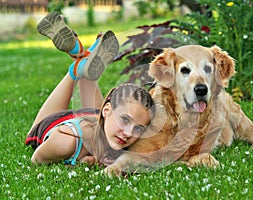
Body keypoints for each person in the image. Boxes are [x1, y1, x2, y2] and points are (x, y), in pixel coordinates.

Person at [25, 12, 155, 167]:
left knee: (87, 74)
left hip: (93, 117)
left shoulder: (123, 137)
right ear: (107, 110)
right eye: (125, 119)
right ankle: (76, 68)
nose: (128, 133)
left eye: (138, 128)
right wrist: (79, 161)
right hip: (57, 123)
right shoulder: (65, 142)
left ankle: (82, 56)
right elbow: (35, 160)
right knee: (32, 133)